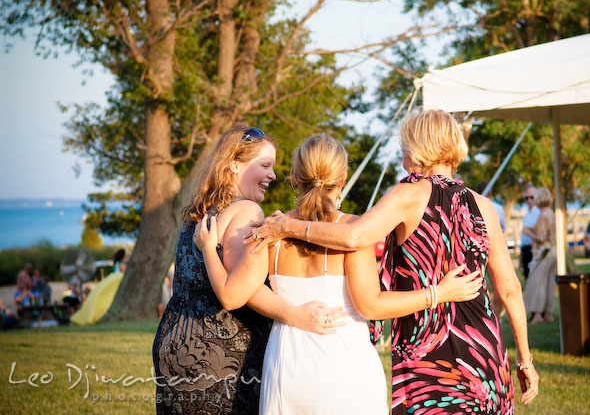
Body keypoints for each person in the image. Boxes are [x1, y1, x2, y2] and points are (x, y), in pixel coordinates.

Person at [248, 110, 538, 413]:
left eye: (404, 145)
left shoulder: (408, 195)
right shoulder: (485, 206)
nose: (401, 152)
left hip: (432, 353)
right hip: (485, 348)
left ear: (419, 148)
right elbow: (510, 289)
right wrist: (525, 359)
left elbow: (353, 237)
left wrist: (287, 226)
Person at [196, 134, 481, 414]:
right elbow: (370, 305)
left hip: (287, 369)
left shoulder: (273, 230)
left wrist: (289, 312)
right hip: (348, 372)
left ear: (295, 177)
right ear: (342, 179)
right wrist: (437, 294)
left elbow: (242, 292)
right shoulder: (352, 230)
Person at [152, 125, 346, 415]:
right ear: (233, 165)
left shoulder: (201, 209)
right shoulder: (246, 212)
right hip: (219, 354)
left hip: (175, 340)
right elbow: (235, 295)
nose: (272, 175)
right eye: (265, 165)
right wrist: (297, 315)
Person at [522, 187, 556, 325]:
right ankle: (548, 313)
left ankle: (537, 315)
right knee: (549, 284)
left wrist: (527, 232)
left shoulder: (543, 214)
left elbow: (541, 237)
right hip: (553, 251)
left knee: (538, 283)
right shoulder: (551, 213)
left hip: (543, 252)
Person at [520, 185, 540, 279]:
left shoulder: (538, 212)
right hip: (526, 250)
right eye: (526, 198)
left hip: (533, 249)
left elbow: (536, 231)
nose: (529, 200)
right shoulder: (528, 213)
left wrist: (527, 231)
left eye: (532, 197)